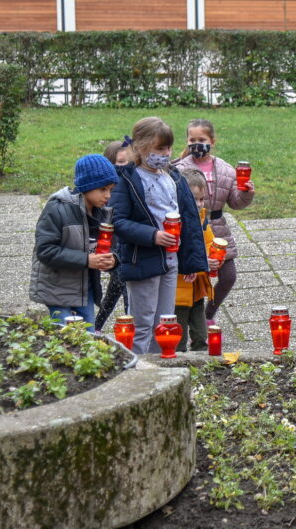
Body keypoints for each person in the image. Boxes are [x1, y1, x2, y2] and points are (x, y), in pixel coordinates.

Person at [109, 117, 207, 354]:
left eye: (168, 148)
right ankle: (139, 370)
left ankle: (160, 368)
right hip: (142, 259)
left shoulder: (172, 176)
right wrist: (152, 235)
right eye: (160, 148)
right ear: (141, 147)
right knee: (142, 324)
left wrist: (190, 260)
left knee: (165, 323)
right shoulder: (127, 179)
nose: (166, 153)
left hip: (170, 260)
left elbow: (188, 219)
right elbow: (117, 221)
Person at [173, 118, 255, 325]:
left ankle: (209, 314)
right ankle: (190, 320)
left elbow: (235, 203)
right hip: (190, 230)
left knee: (228, 276)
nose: (196, 144)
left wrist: (246, 193)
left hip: (218, 231)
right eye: (192, 139)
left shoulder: (226, 169)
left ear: (212, 141)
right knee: (194, 278)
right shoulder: (179, 170)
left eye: (202, 139)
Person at [29, 154, 118, 328]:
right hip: (57, 290)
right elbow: (45, 251)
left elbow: (110, 247)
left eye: (111, 190)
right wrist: (86, 260)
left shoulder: (102, 213)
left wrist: (113, 260)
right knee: (66, 340)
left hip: (85, 290)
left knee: (88, 336)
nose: (108, 195)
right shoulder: (57, 209)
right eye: (103, 189)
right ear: (87, 186)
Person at [174, 169, 218, 352]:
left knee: (201, 335)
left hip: (198, 290)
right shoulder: (177, 224)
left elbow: (208, 243)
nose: (199, 204)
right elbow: (184, 255)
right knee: (179, 338)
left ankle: (201, 361)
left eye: (202, 199)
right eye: (195, 199)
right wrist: (204, 263)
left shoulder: (202, 220)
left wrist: (214, 257)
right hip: (179, 293)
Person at [93, 138, 132, 332]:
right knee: (122, 289)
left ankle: (96, 327)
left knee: (115, 291)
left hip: (126, 248)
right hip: (113, 250)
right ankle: (127, 329)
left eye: (127, 162)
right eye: (121, 163)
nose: (124, 167)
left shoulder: (132, 186)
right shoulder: (105, 192)